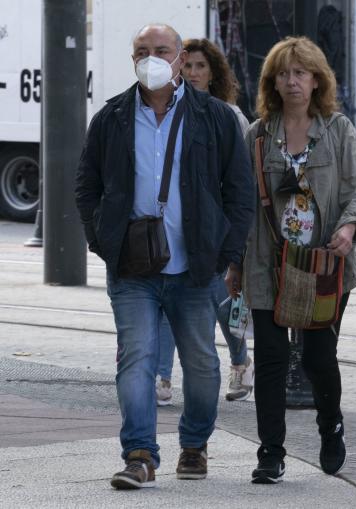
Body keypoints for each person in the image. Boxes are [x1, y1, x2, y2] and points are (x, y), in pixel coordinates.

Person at [74, 24, 255, 489]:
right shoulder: (112, 116)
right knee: (135, 359)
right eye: (142, 51)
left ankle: (194, 444)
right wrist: (103, 242)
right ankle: (139, 455)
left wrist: (226, 254)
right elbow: (86, 188)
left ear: (179, 58)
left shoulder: (213, 117)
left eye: (161, 50)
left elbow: (239, 193)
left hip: (195, 268)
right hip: (132, 268)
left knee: (201, 363)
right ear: (132, 58)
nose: (150, 58)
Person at [243, 36, 356, 484]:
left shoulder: (337, 129)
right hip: (267, 262)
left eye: (300, 72)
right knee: (273, 358)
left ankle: (330, 426)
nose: (291, 80)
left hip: (323, 265)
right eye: (283, 73)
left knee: (318, 357)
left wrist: (349, 226)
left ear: (317, 80)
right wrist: (233, 265)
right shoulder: (257, 134)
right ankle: (270, 453)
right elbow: (241, 203)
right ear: (272, 82)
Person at [155, 37, 253, 406]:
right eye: (189, 65)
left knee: (221, 303)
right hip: (179, 231)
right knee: (167, 301)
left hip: (218, 231)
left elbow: (241, 182)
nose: (194, 73)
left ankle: (241, 361)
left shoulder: (229, 115)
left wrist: (236, 240)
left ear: (214, 74)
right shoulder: (171, 110)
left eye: (201, 67)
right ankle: (162, 376)